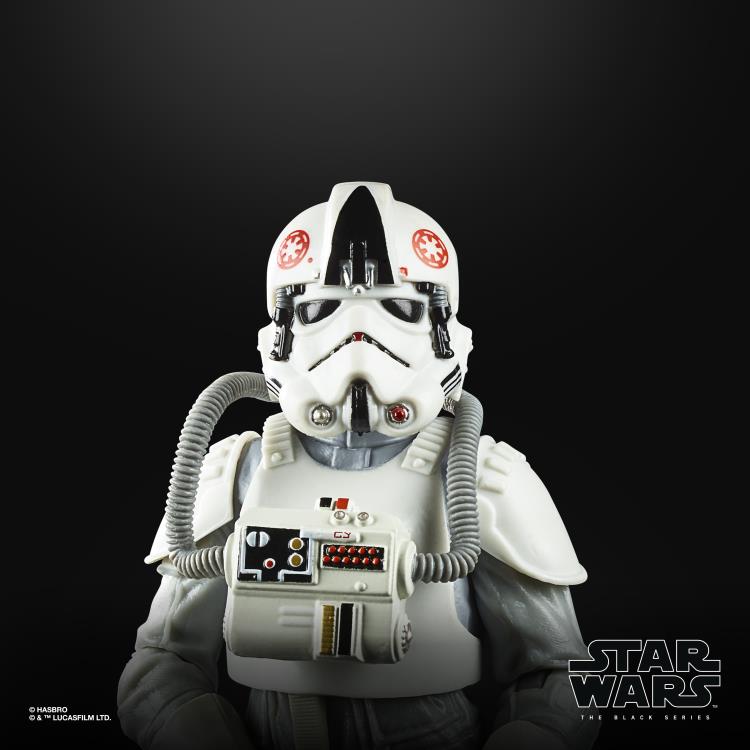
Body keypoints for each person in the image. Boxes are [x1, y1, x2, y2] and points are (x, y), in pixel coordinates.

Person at [118, 182, 599, 750]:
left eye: (402, 308)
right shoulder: (241, 472)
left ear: (445, 329)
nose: (358, 340)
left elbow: (560, 676)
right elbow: (162, 664)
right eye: (319, 309)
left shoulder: (479, 479)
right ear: (280, 331)